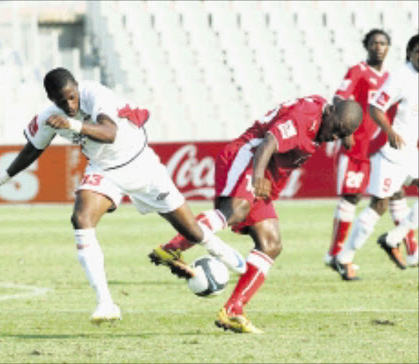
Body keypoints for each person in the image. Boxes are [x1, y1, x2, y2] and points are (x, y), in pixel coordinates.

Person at [0, 67, 246, 325]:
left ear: (77, 87)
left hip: (141, 165)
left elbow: (109, 133)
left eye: (72, 98)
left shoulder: (96, 94)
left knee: (192, 232)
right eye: (62, 102)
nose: (70, 106)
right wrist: (1, 179)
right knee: (81, 218)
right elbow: (32, 149)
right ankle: (106, 303)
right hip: (105, 171)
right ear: (50, 99)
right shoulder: (49, 118)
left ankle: (221, 252)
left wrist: (70, 124)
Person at [149, 95, 363, 333]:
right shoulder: (305, 116)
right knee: (235, 211)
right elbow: (268, 143)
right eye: (336, 130)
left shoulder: (330, 113)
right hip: (249, 158)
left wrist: (347, 132)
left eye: (340, 134)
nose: (335, 138)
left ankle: (233, 310)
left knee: (271, 244)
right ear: (330, 113)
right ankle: (172, 248)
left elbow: (341, 104)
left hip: (269, 173)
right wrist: (258, 176)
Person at [324, 29, 417, 269]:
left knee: (394, 197)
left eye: (383, 43)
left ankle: (406, 245)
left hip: (392, 148)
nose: (378, 47)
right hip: (370, 147)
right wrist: (346, 131)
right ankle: (338, 255)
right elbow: (351, 101)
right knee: (361, 200)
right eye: (374, 42)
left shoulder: (389, 75)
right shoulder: (369, 72)